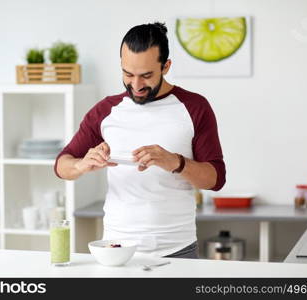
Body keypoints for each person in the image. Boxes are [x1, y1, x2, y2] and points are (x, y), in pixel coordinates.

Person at [55, 22, 226, 259]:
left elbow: (215, 179)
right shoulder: (106, 110)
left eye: (146, 76)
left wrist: (176, 162)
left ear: (166, 66)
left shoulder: (195, 107)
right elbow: (62, 166)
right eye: (128, 74)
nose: (136, 86)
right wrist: (82, 164)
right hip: (115, 250)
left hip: (177, 250)